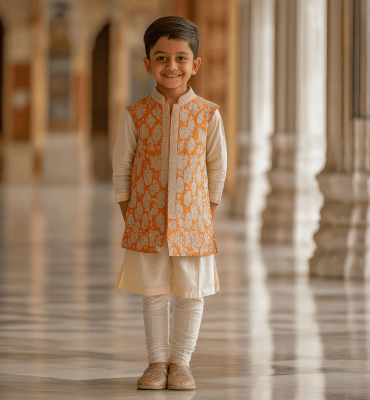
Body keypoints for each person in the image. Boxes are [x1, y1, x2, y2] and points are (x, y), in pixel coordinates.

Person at [112, 15, 227, 390]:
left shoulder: (207, 114)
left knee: (191, 293)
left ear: (194, 65)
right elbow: (122, 168)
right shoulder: (136, 114)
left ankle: (181, 363)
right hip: (146, 221)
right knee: (154, 293)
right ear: (147, 64)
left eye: (180, 58)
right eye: (161, 58)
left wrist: (205, 214)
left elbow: (216, 166)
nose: (171, 66)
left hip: (193, 222)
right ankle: (157, 362)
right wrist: (131, 213)